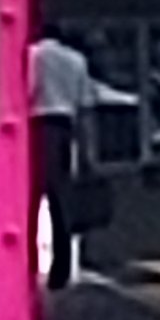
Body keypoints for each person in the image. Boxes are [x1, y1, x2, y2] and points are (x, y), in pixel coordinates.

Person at [33, 30, 93, 285]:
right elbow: (85, 108)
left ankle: (26, 264)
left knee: (29, 201)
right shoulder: (76, 60)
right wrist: (87, 151)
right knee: (61, 202)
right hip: (64, 127)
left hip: (34, 127)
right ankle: (62, 269)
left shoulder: (30, 57)